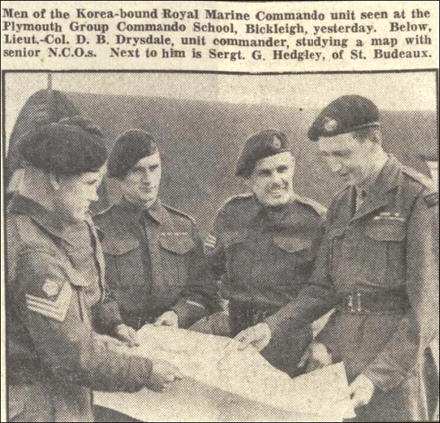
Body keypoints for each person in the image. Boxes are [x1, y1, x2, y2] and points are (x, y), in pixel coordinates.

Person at [232, 96, 439, 421]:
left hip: (396, 368)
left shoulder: (418, 200)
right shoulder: (343, 202)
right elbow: (323, 288)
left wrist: (376, 377)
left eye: (342, 154)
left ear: (374, 140)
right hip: (341, 361)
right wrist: (271, 328)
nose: (334, 167)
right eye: (326, 156)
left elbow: (426, 310)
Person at [6, 117, 182, 422]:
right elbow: (72, 357)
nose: (96, 196)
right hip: (45, 406)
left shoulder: (37, 230)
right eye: (89, 184)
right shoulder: (36, 255)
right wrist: (146, 372)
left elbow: (54, 333)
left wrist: (102, 337)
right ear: (56, 179)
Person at [205, 129, 326, 376]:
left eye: (282, 169)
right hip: (235, 335)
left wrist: (323, 341)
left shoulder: (316, 220)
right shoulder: (231, 213)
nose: (276, 180)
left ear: (293, 167)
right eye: (265, 173)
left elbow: (328, 290)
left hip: (290, 342)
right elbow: (208, 273)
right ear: (248, 180)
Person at [93, 129, 219, 331]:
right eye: (137, 170)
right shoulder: (97, 228)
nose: (148, 179)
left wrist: (178, 315)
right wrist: (115, 324)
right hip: (118, 339)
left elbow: (204, 292)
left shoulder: (184, 226)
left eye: (154, 168)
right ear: (120, 175)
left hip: (173, 338)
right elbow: (91, 295)